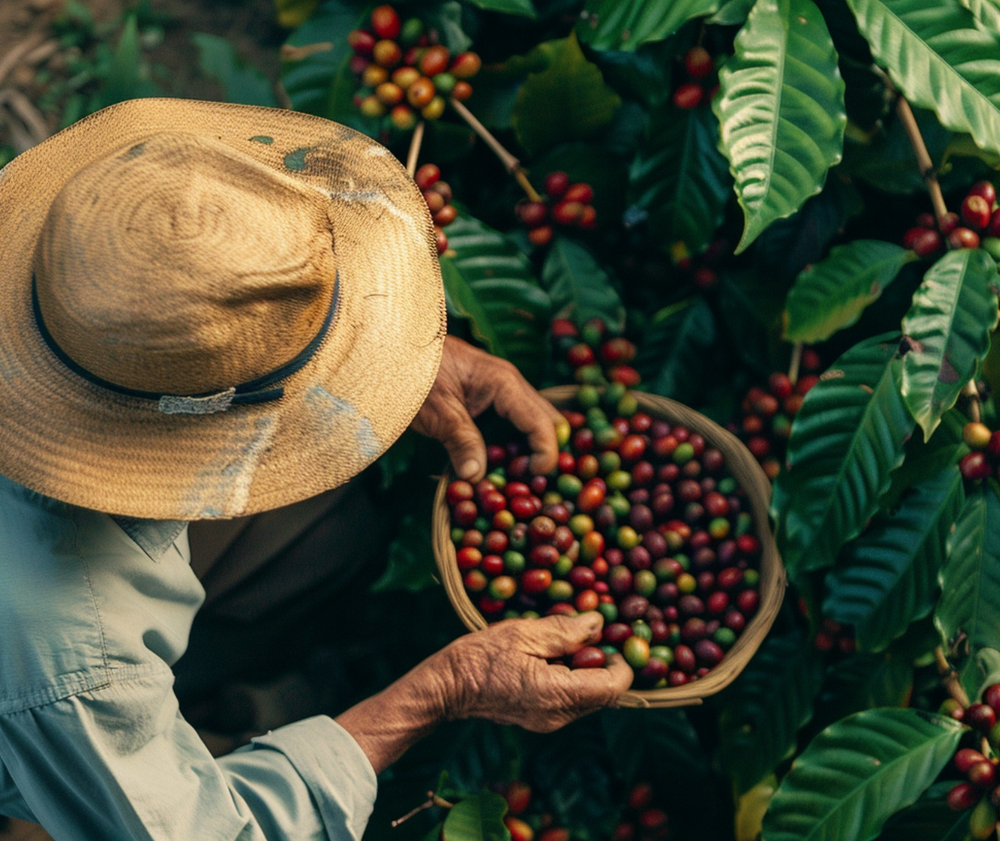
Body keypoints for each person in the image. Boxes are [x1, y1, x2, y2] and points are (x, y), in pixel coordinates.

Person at [0, 98, 633, 840]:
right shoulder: (78, 648)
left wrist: (382, 361)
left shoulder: (91, 267)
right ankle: (124, 757)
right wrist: (444, 689)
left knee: (321, 533)